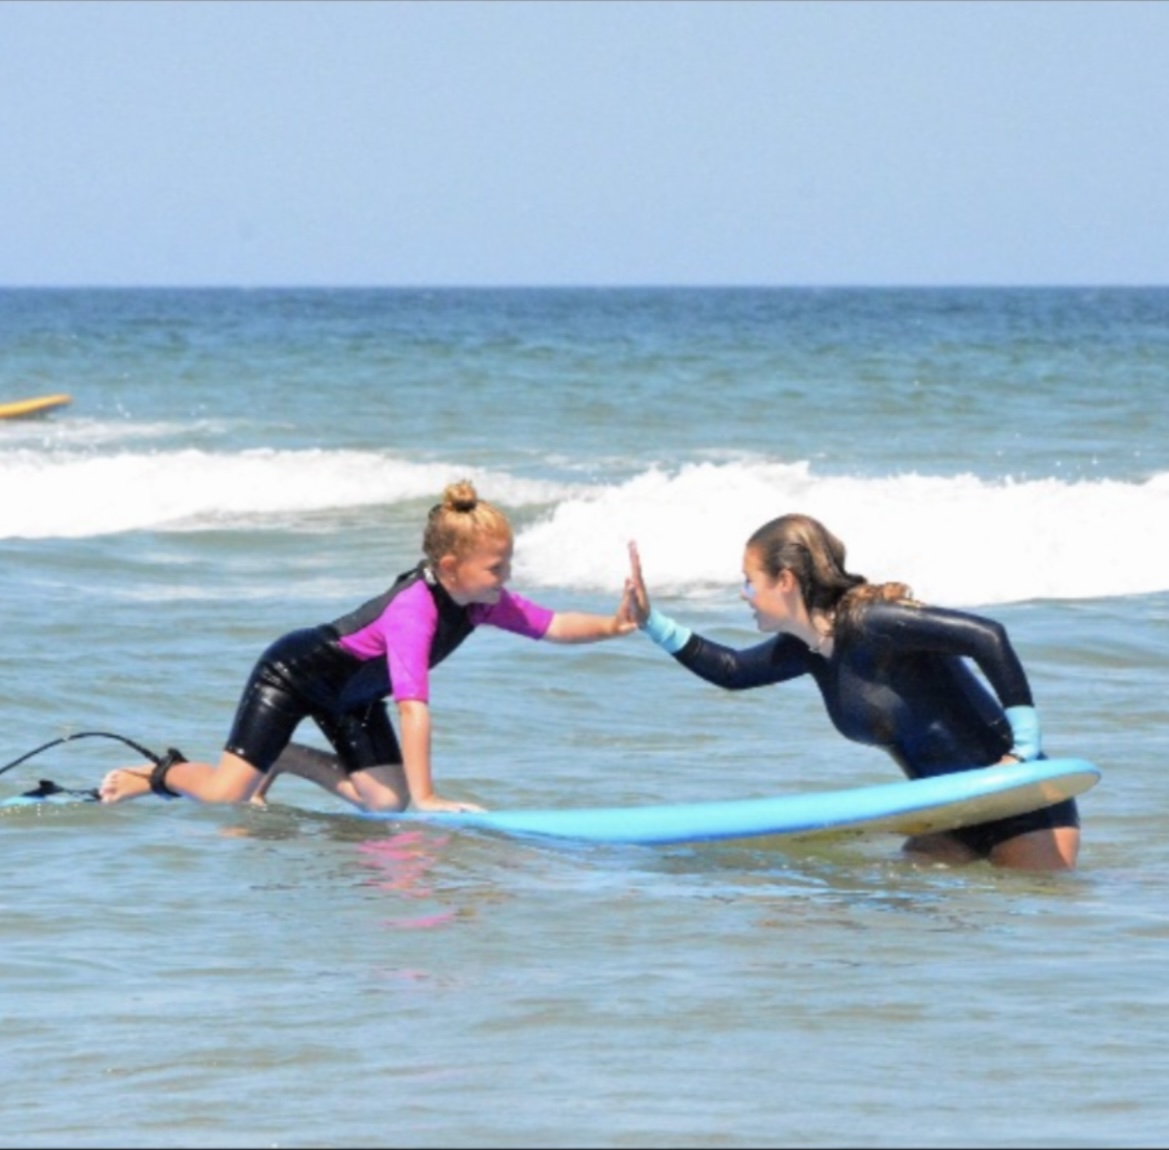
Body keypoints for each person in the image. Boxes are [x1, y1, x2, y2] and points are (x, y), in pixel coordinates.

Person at [99, 480, 637, 813]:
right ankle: (158, 774)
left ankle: (283, 756)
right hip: (291, 675)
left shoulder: (480, 599)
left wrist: (615, 625)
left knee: (385, 803)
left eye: (508, 563)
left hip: (351, 697)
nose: (507, 576)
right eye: (497, 567)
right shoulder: (414, 611)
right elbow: (412, 708)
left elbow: (554, 624)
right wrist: (429, 798)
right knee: (227, 795)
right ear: (451, 566)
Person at [624, 513, 1080, 871]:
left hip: (1022, 804)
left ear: (785, 581)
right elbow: (733, 670)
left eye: (750, 581)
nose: (745, 594)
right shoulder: (809, 650)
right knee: (899, 919)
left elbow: (988, 636)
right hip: (950, 816)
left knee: (1030, 925)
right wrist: (650, 622)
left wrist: (1024, 749)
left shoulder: (875, 623)